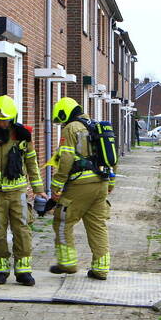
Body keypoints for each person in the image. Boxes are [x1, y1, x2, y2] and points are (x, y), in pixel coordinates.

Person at [0, 95, 44, 286]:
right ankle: (0, 269)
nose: (1, 122)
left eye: (4, 119)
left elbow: (31, 161)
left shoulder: (23, 134)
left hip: (18, 191)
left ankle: (23, 270)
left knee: (22, 230)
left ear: (12, 117)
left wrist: (38, 188)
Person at [48, 97, 113, 280]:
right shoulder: (96, 126)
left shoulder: (71, 128)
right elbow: (110, 157)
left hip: (80, 184)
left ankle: (67, 263)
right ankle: (101, 269)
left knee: (62, 221)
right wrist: (111, 183)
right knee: (97, 225)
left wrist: (57, 184)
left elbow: (67, 159)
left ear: (64, 113)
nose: (61, 123)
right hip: (102, 183)